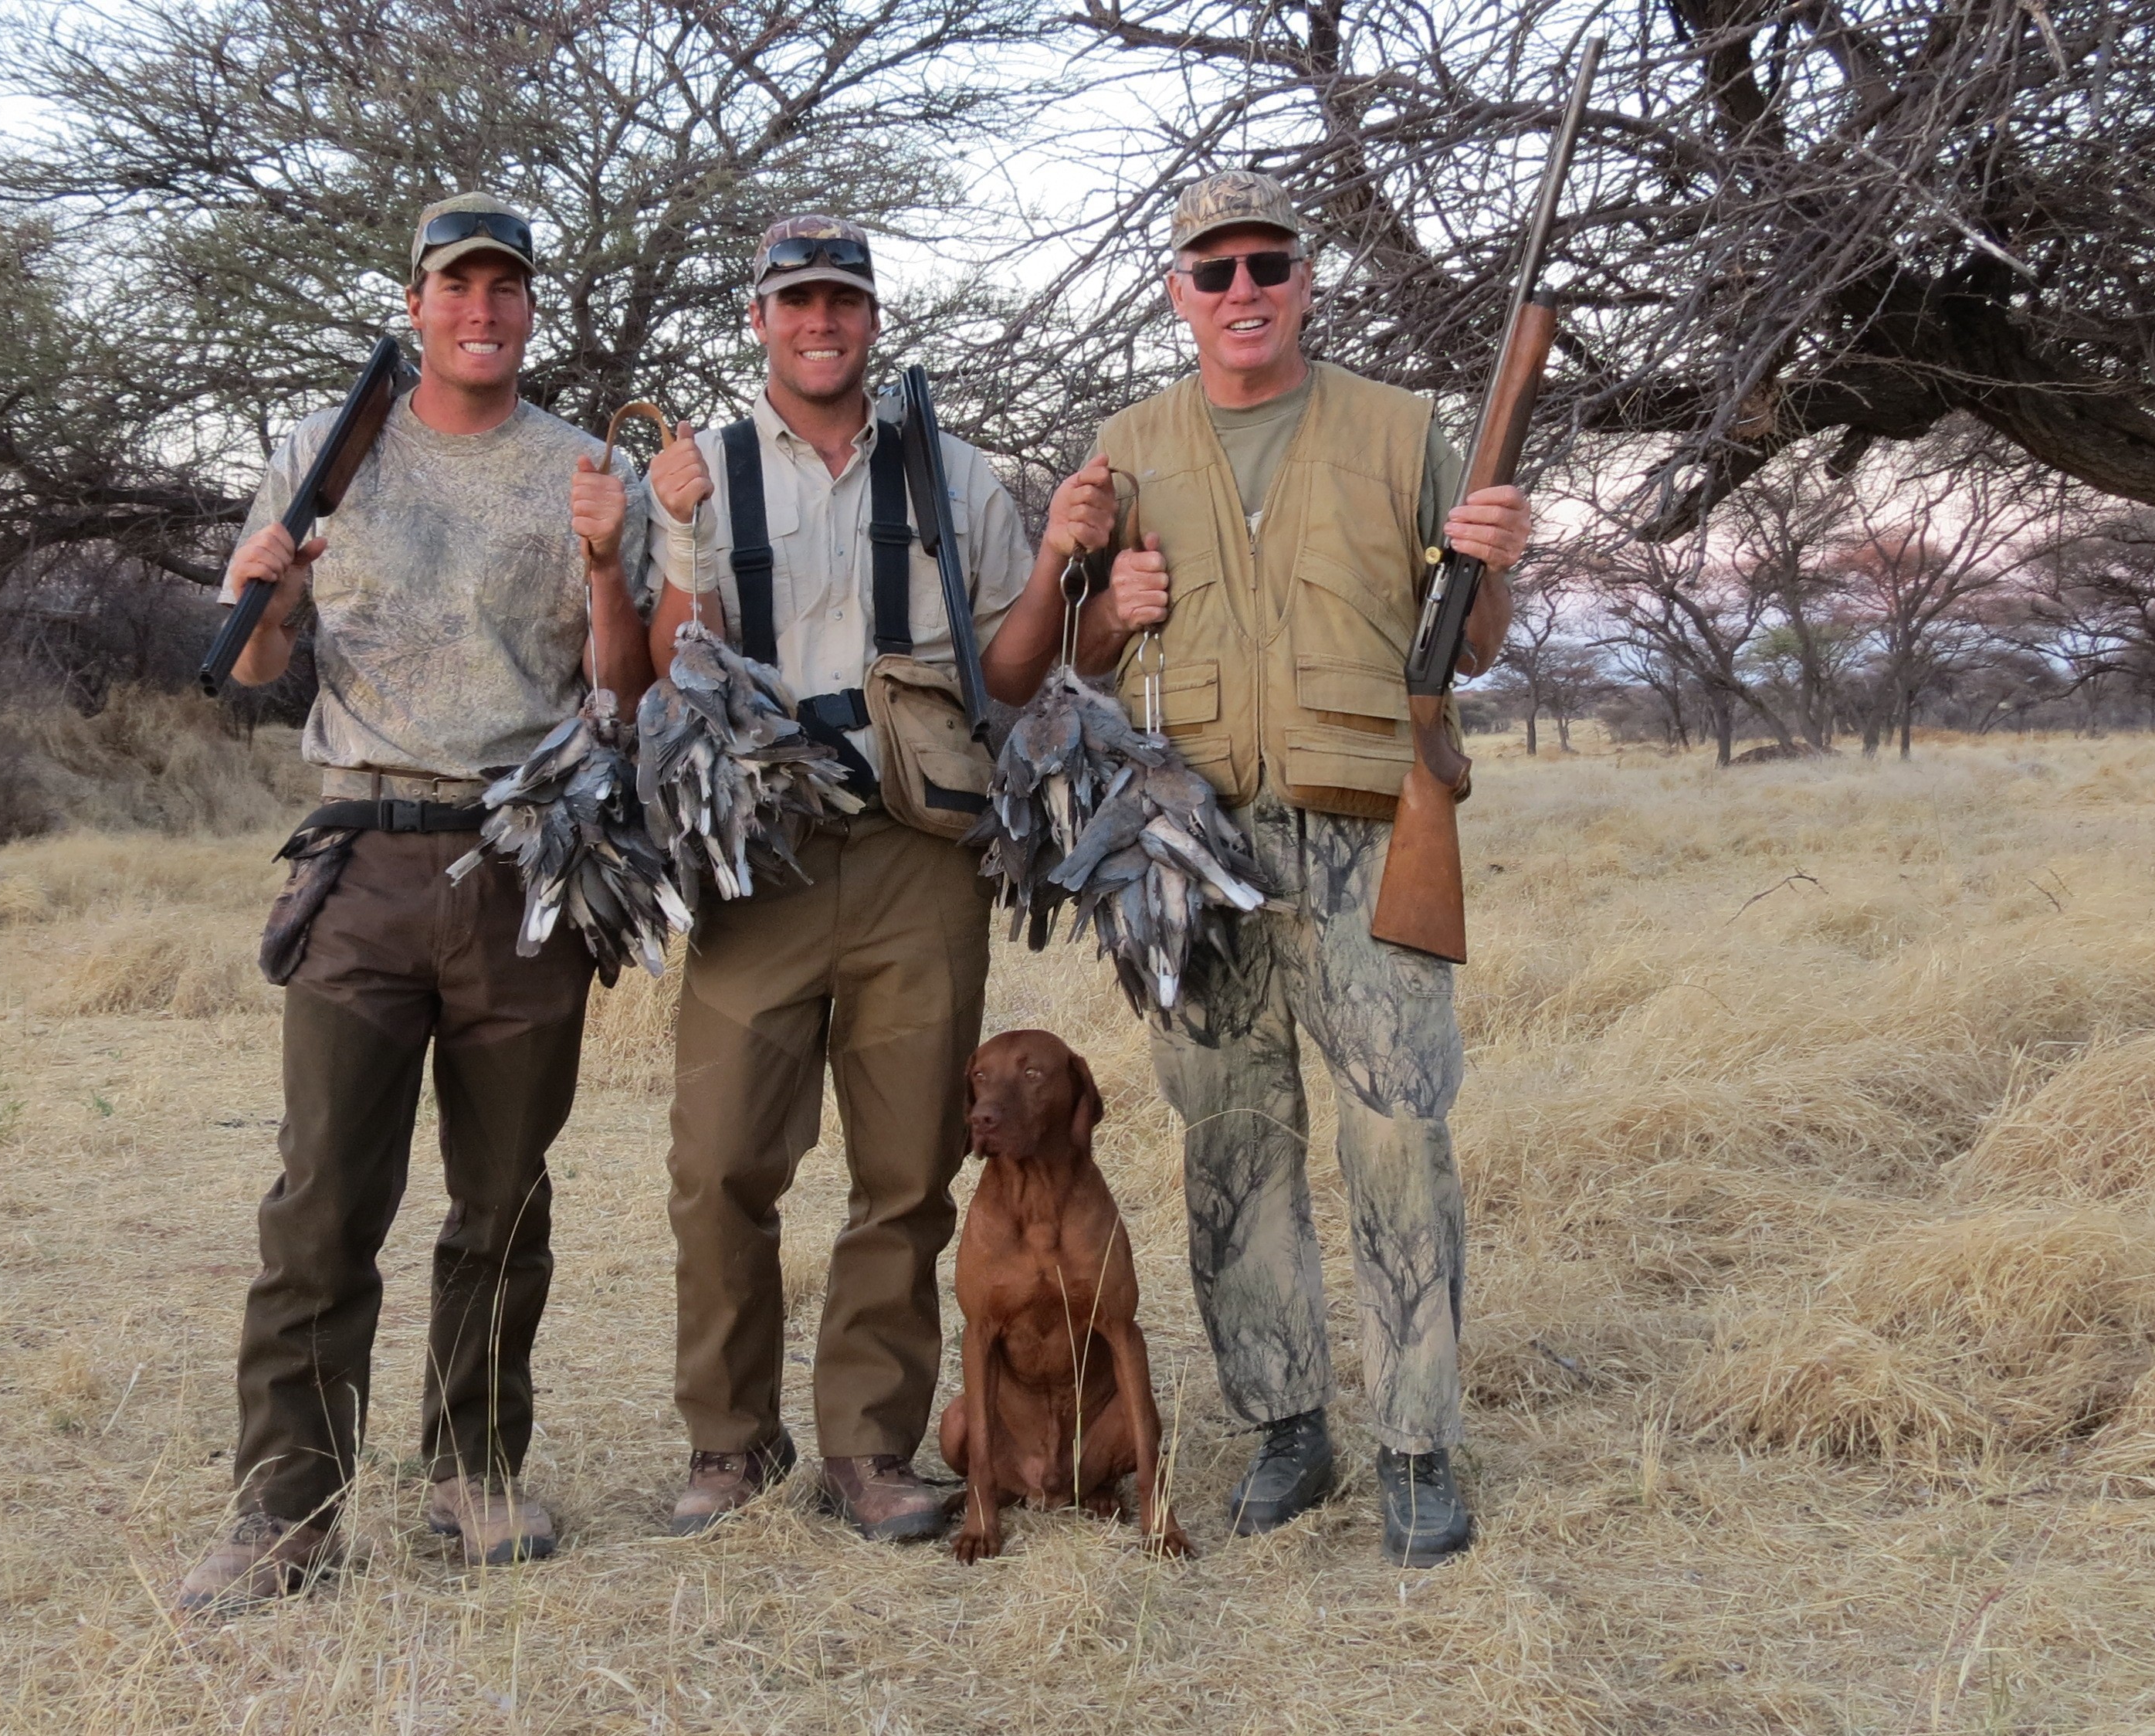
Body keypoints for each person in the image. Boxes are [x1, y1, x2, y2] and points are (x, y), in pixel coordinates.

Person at [174, 192, 653, 1614]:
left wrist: (616, 559)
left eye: (506, 287)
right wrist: (263, 589)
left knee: (500, 1201)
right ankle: (286, 1508)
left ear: (528, 309)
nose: (483, 310)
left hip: (523, 856)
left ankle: (476, 1466)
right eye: (459, 286)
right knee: (323, 1201)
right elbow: (260, 665)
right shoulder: (328, 461)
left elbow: (619, 691)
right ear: (417, 303)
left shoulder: (581, 469)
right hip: (362, 858)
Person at [1069, 171, 1533, 1567]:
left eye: (1266, 264)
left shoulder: (1401, 430)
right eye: (1213, 272)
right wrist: (1108, 607)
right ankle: (1287, 1427)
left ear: (1307, 280)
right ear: (1177, 292)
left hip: (1370, 831)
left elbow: (1483, 635)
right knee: (1232, 1136)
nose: (1242, 292)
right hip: (1198, 848)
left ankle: (1414, 1445)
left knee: (1398, 1130)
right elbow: (1078, 657)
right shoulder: (1130, 446)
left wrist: (1497, 561)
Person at [639, 215, 1102, 1543]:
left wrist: (1070, 560)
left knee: (905, 1172)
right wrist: (673, 540)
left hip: (918, 855)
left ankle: (872, 1449)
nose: (820, 323)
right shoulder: (703, 474)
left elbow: (1018, 671)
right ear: (759, 319)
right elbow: (670, 670)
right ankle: (729, 1445)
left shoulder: (960, 476)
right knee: (722, 1163)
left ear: (873, 316)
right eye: (796, 303)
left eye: (841, 299)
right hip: (765, 859)